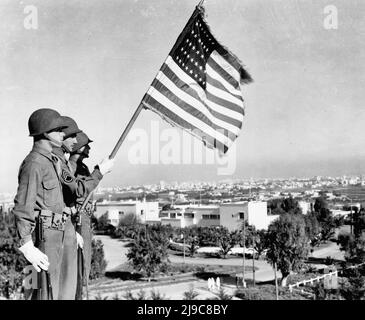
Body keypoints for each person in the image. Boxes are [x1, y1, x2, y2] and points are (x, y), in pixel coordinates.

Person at [12, 108, 70, 300]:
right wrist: (27, 246)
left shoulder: (50, 160)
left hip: (53, 235)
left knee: (51, 292)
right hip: (40, 238)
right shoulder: (34, 163)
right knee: (39, 293)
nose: (63, 133)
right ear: (45, 132)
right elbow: (22, 206)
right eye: (59, 129)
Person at [68, 131, 114, 299]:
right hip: (78, 221)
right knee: (79, 266)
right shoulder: (71, 167)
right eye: (86, 145)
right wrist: (99, 172)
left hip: (84, 220)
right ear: (79, 148)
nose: (89, 147)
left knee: (84, 264)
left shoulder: (82, 167)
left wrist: (98, 171)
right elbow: (78, 191)